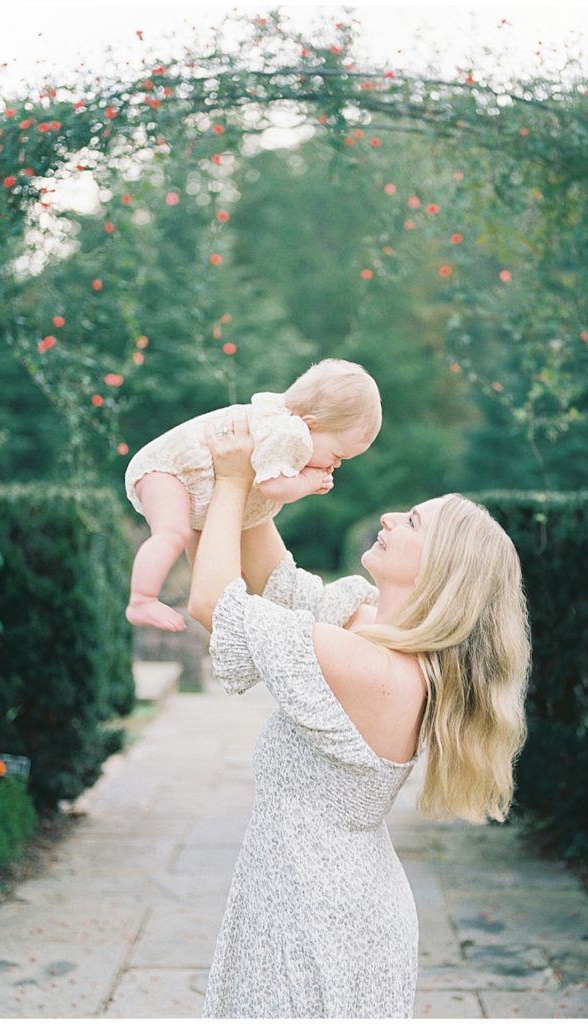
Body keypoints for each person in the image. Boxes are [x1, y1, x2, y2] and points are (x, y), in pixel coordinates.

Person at [187, 407, 531, 1018]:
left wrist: (234, 481)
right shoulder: (366, 622)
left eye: (414, 520)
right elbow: (277, 584)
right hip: (313, 890)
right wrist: (263, 471)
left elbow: (217, 603)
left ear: (441, 566)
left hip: (319, 912)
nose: (391, 516)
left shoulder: (375, 670)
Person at [124, 359, 381, 631]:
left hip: (194, 486)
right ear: (310, 424)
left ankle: (224, 617)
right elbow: (273, 487)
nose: (337, 464)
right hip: (166, 472)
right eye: (337, 454)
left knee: (219, 567)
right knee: (173, 533)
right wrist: (307, 481)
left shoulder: (281, 421)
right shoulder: (290, 434)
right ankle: (142, 599)